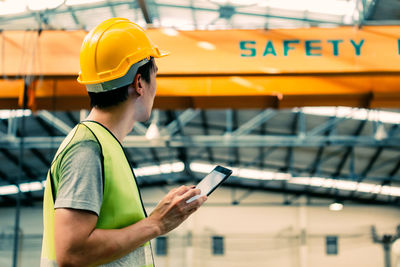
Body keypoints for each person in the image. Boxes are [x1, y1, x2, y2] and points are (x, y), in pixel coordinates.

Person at [41, 17, 206, 267]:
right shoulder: (87, 148)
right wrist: (156, 223)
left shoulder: (102, 145)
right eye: (155, 76)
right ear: (139, 83)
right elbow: (72, 253)